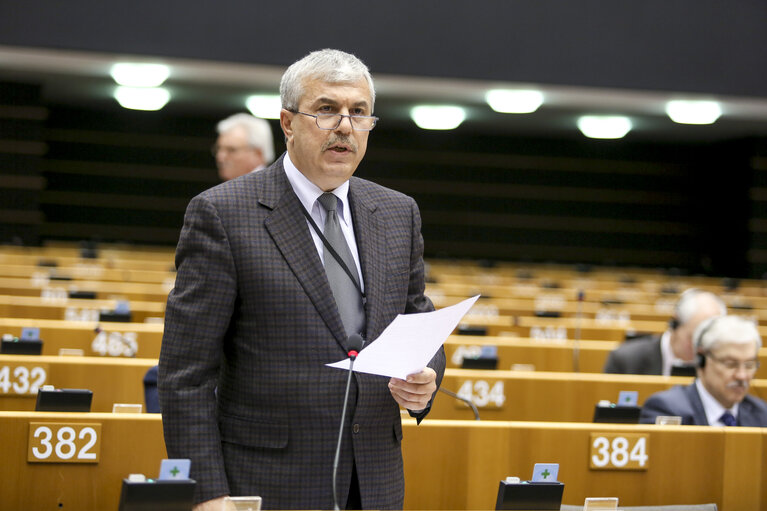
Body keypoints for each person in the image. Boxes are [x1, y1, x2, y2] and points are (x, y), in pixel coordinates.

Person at [159, 49, 445, 511]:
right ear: (287, 123)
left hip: (374, 484)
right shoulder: (223, 213)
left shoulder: (397, 212)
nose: (345, 126)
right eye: (327, 110)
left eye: (359, 113)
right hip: (267, 481)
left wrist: (426, 379)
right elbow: (185, 374)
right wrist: (207, 493)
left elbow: (418, 321)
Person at [640, 315, 767, 426]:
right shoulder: (666, 409)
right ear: (701, 359)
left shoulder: (762, 414)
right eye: (730, 364)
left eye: (749, 365)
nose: (742, 376)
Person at [603, 288, 727, 375]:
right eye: (694, 339)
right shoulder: (626, 359)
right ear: (675, 324)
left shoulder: (720, 365)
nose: (701, 349)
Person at [212, 113, 275, 180]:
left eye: (231, 150)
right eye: (218, 149)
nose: (220, 158)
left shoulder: (272, 188)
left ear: (257, 154)